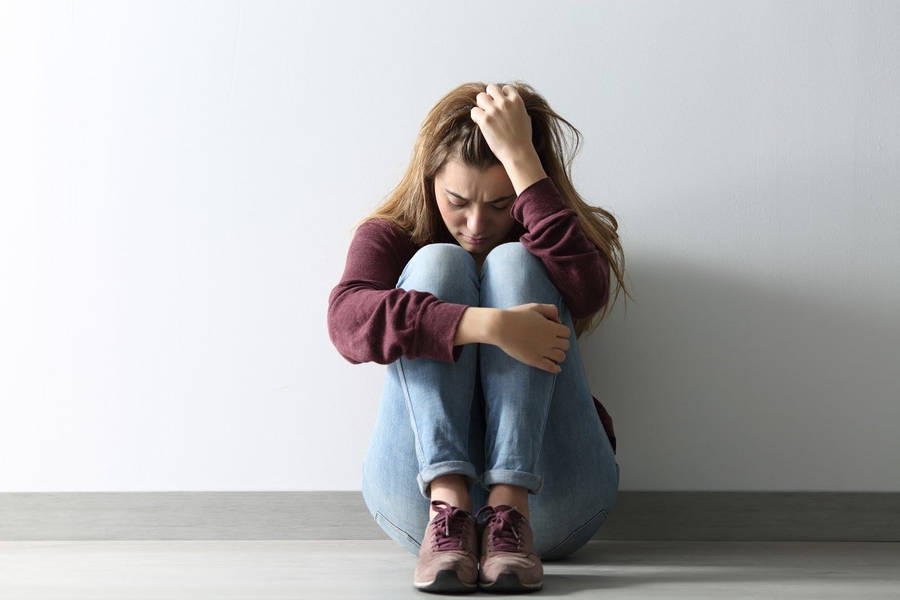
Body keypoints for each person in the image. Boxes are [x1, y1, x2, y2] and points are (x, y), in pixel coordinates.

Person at [327, 81, 631, 594]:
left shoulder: (549, 230)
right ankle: (449, 506)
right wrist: (487, 324)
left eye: (500, 204)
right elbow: (345, 321)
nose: (475, 224)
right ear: (430, 183)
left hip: (555, 502)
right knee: (437, 261)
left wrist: (521, 156)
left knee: (513, 259)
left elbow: (589, 290)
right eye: (457, 201)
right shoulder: (392, 235)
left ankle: (510, 508)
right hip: (418, 508)